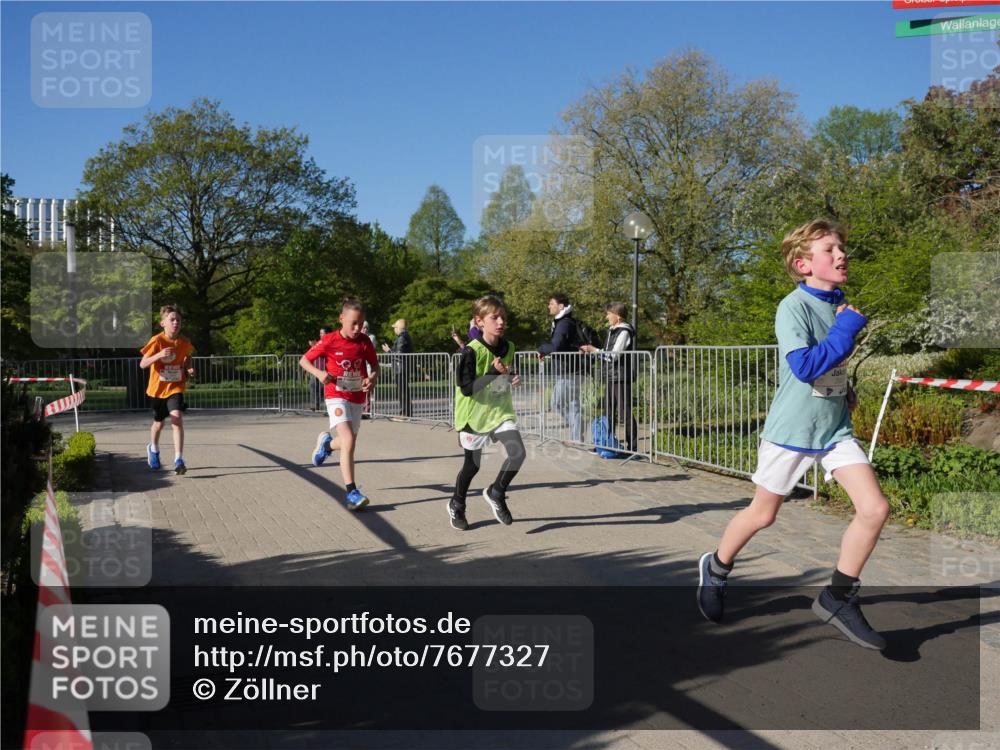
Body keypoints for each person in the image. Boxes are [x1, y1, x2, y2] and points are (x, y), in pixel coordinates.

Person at [696, 219, 890, 651]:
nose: (841, 255)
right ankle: (717, 567)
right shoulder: (793, 307)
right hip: (791, 432)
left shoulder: (839, 303)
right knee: (764, 515)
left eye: (841, 247)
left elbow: (828, 363)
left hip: (834, 429)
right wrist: (846, 329)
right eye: (830, 249)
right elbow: (803, 367)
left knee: (875, 508)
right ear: (803, 264)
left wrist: (846, 387)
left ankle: (837, 597)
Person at [447, 295, 525, 530]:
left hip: (499, 410)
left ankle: (496, 492)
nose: (500, 321)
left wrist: (512, 378)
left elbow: (504, 373)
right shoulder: (470, 351)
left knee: (517, 453)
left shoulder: (509, 346)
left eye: (503, 317)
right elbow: (467, 388)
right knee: (472, 467)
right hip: (473, 415)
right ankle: (457, 503)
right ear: (479, 322)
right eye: (494, 317)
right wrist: (492, 372)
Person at [300, 299, 380, 510]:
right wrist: (319, 373)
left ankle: (326, 445)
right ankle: (352, 492)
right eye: (353, 323)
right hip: (335, 394)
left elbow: (375, 365)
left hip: (356, 397)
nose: (357, 328)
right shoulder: (329, 340)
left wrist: (372, 378)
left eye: (360, 323)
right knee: (348, 439)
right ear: (341, 319)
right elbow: (304, 361)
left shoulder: (364, 341)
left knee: (346, 442)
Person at [139, 304, 196, 475]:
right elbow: (142, 364)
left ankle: (179, 459)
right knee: (159, 423)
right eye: (172, 319)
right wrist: (159, 355)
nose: (176, 322)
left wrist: (189, 368)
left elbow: (187, 357)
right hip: (157, 389)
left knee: (176, 419)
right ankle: (153, 448)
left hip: (175, 387)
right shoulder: (157, 340)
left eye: (178, 320)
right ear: (163, 323)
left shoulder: (184, 343)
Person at [580, 301, 637, 453]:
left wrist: (594, 350)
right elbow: (606, 353)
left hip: (621, 376)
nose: (606, 317)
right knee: (608, 411)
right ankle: (607, 442)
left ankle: (633, 448)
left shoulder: (624, 332)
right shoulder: (613, 330)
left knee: (625, 411)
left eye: (608, 314)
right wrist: (593, 352)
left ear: (617, 316)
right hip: (611, 375)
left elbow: (614, 356)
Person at [537, 293, 582, 443]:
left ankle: (577, 432)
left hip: (568, 371)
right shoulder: (564, 322)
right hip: (570, 369)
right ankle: (577, 437)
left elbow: (556, 346)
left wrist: (541, 348)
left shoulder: (564, 323)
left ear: (561, 306)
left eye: (551, 303)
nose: (548, 306)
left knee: (557, 403)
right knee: (572, 404)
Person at [381, 318, 413, 417]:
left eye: (395, 327)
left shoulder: (402, 338)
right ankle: (405, 412)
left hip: (401, 368)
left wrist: (389, 351)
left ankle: (405, 413)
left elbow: (399, 354)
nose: (394, 329)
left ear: (399, 328)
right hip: (402, 367)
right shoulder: (404, 337)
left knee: (402, 391)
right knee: (403, 390)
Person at [309, 326, 334, 411]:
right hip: (316, 368)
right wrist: (313, 346)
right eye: (320, 333)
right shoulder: (319, 342)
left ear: (327, 334)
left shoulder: (331, 343)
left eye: (322, 333)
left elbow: (324, 353)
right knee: (313, 385)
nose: (320, 335)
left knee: (324, 388)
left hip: (326, 369)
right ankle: (315, 405)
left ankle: (328, 407)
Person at [361, 321, 376, 418]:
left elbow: (370, 351)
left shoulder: (371, 337)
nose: (365, 329)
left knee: (367, 388)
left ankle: (367, 410)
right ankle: (361, 410)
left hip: (368, 365)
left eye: (366, 327)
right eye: (363, 327)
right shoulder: (357, 336)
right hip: (361, 366)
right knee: (360, 388)